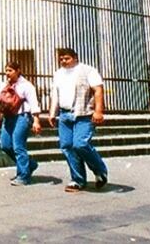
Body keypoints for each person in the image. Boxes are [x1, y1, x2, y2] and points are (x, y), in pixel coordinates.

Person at [47, 47, 108, 193]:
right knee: (67, 146)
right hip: (64, 114)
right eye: (61, 59)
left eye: (66, 58)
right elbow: (55, 93)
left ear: (75, 57)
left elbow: (98, 89)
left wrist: (98, 111)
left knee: (80, 144)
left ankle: (100, 171)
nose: (63, 61)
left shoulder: (87, 70)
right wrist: (52, 113)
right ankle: (78, 179)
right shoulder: (58, 74)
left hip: (83, 113)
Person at [0, 60, 42, 186]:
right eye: (6, 70)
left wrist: (36, 120)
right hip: (8, 118)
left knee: (18, 146)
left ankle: (23, 176)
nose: (7, 73)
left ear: (18, 70)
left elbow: (34, 103)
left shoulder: (26, 85)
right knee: (5, 145)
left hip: (22, 117)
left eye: (10, 70)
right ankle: (30, 164)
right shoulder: (4, 85)